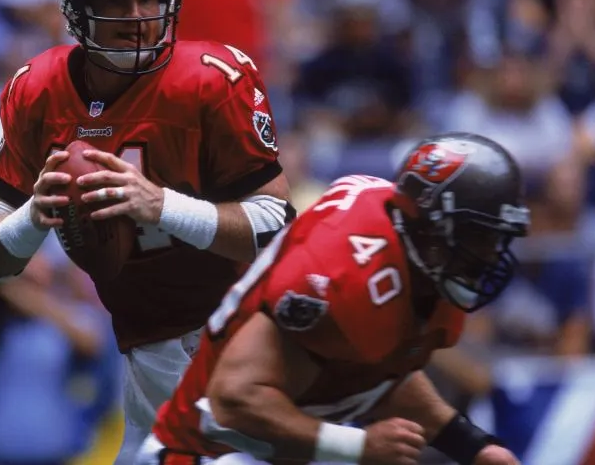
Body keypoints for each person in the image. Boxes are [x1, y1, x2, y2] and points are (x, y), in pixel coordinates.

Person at [0, 0, 294, 464]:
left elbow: (279, 227)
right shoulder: (37, 90)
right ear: (76, 9)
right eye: (120, 2)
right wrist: (33, 216)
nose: (141, 17)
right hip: (147, 359)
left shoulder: (211, 79)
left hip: (239, 343)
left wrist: (161, 205)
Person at [138, 133, 530, 465]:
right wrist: (358, 446)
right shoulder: (337, 276)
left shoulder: (420, 271)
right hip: (204, 453)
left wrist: (473, 447)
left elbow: (378, 375)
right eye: (480, 237)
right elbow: (231, 401)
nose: (491, 254)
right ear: (433, 228)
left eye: (497, 240)